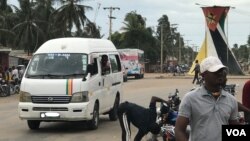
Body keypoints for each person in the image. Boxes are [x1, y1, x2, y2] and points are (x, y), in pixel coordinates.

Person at [175, 56, 241, 141]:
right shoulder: (190, 98)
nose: (220, 73)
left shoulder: (231, 100)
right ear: (203, 75)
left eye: (221, 71)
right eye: (215, 71)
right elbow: (179, 130)